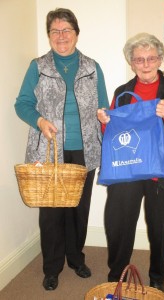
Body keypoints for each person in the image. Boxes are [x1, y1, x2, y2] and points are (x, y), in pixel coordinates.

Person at [15, 8, 109, 291]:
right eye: (55, 31)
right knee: (51, 212)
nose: (61, 36)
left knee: (79, 210)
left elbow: (102, 104)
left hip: (85, 150)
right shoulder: (38, 66)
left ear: (77, 33)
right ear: (49, 36)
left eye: (66, 30)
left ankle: (75, 259)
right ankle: (52, 267)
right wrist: (40, 120)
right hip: (49, 151)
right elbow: (22, 104)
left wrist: (105, 118)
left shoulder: (92, 67)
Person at [97, 33, 164, 292]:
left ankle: (157, 278)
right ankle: (116, 275)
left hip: (162, 173)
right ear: (131, 63)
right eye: (139, 59)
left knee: (160, 228)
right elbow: (112, 136)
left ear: (160, 59)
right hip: (128, 169)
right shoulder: (123, 93)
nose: (145, 64)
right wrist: (104, 121)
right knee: (118, 222)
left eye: (151, 58)